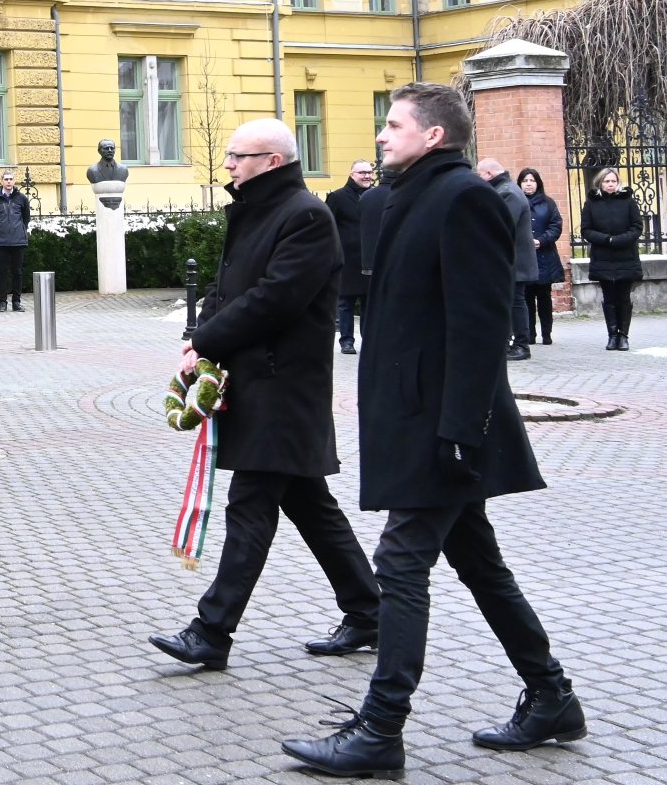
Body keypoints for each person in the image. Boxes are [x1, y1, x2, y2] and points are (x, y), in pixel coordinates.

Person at [282, 83, 584, 779]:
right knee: (478, 562)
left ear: (435, 136)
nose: (382, 136)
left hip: (444, 425)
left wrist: (462, 427)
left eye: (393, 125)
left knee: (400, 562)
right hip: (416, 416)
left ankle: (381, 728)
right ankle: (552, 698)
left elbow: (481, 325)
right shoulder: (401, 197)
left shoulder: (463, 198)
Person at [150, 119, 379, 673]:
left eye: (238, 155)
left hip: (284, 389)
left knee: (250, 507)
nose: (228, 164)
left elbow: (275, 299)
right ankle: (370, 612)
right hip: (257, 382)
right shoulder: (259, 210)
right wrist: (199, 339)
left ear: (273, 161)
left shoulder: (305, 215)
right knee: (310, 504)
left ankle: (212, 630)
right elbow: (227, 287)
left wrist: (207, 337)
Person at [477, 158, 538, 362]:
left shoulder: (508, 192)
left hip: (514, 260)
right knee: (510, 301)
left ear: (488, 174)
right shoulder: (504, 188)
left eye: (479, 175)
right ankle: (508, 342)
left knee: (515, 302)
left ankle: (521, 345)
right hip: (510, 259)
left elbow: (501, 225)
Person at [580, 167, 642, 351]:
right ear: (600, 183)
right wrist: (606, 240)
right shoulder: (591, 203)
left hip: (626, 256)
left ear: (618, 183)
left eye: (613, 181)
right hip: (603, 257)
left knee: (623, 297)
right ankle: (612, 335)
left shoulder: (628, 202)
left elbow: (637, 227)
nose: (610, 184)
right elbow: (586, 230)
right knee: (609, 298)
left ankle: (623, 335)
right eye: (606, 181)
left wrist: (619, 240)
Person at [324, 160, 376, 354]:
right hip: (346, 258)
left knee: (368, 301)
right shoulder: (338, 197)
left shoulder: (374, 196)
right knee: (345, 302)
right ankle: (346, 340)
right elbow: (328, 226)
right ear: (352, 174)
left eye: (369, 172)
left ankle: (368, 339)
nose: (367, 176)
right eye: (362, 172)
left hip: (369, 257)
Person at [516, 168, 563, 346]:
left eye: (532, 180)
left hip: (545, 256)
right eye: (525, 180)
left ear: (538, 183)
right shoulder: (516, 201)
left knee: (544, 297)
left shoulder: (548, 203)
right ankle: (530, 334)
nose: (528, 184)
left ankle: (547, 333)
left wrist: (541, 241)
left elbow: (556, 226)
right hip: (524, 257)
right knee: (526, 298)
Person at [0, 171, 31, 311]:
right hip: (1, 241)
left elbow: (26, 218)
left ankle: (16, 302)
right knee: (2, 273)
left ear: (14, 181)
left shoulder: (22, 198)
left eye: (11, 179)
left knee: (17, 272)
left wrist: (20, 230)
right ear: (1, 181)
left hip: (18, 241)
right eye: (6, 179)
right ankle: (2, 303)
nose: (9, 182)